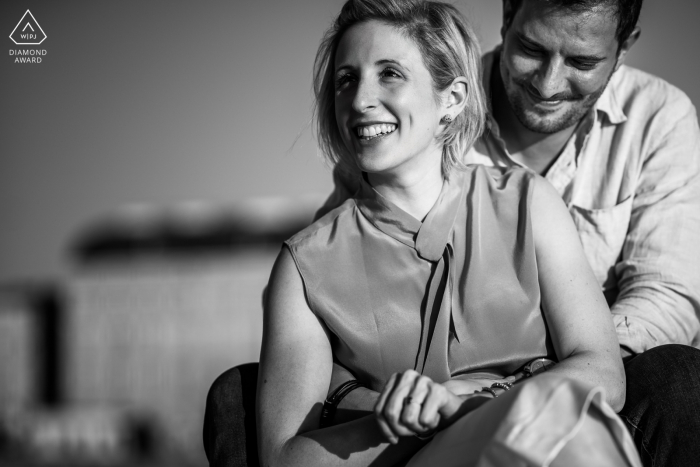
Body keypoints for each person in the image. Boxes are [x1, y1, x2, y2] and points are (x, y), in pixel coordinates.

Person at [249, 1, 643, 465]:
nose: (359, 100)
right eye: (345, 80)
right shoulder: (303, 266)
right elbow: (282, 456)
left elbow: (602, 371)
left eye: (390, 73)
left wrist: (468, 406)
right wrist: (408, 421)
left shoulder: (528, 202)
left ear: (452, 99)